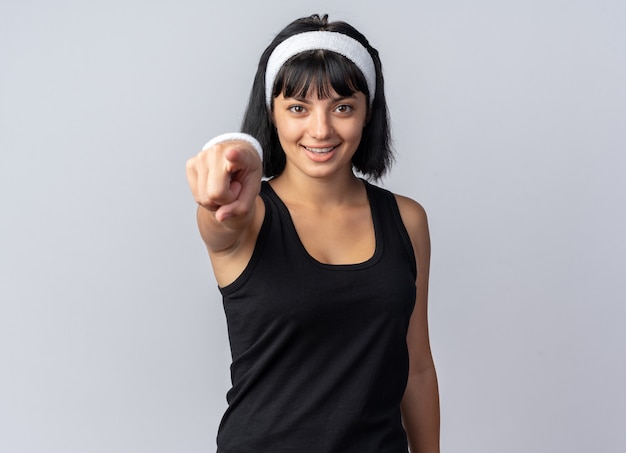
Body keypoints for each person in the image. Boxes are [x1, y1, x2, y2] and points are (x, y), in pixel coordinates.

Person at [186, 13, 440, 452]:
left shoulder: (407, 220)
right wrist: (220, 189)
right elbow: (219, 219)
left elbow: (416, 365)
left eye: (342, 107)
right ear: (273, 114)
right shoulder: (248, 216)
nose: (320, 130)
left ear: (367, 114)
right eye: (298, 108)